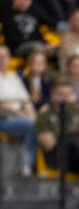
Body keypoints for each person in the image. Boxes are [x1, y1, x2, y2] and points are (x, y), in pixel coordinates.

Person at [0, 45, 38, 176]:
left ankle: (26, 164)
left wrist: (32, 116)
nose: (2, 58)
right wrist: (24, 116)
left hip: (19, 116)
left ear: (9, 58)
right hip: (4, 118)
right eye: (0, 56)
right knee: (34, 126)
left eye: (5, 56)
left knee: (38, 124)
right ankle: (25, 164)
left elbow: (26, 101)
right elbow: (3, 105)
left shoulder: (13, 77)